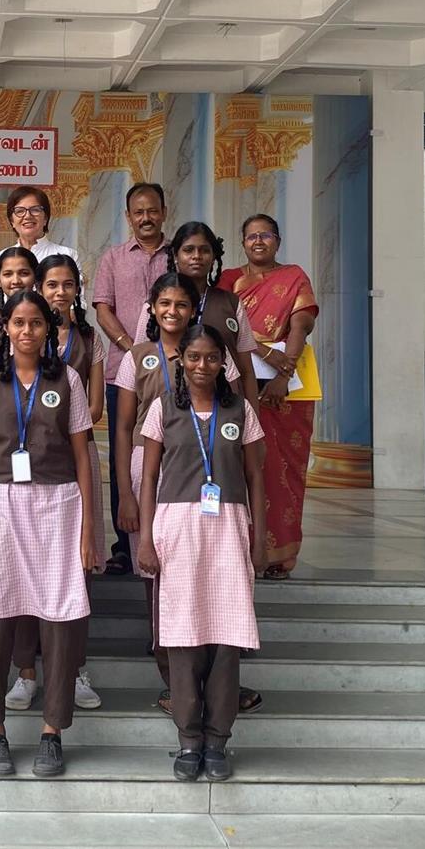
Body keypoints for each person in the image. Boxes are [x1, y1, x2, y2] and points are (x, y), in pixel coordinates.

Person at [0, 290, 96, 779]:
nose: (27, 331)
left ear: (48, 329)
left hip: (58, 505)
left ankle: (52, 732)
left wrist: (88, 530)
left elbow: (83, 455)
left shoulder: (68, 379)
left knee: (58, 616)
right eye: (18, 322)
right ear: (5, 328)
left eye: (36, 323)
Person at [136, 324, 267, 782]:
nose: (202, 365)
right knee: (184, 638)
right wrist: (146, 538)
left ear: (223, 362)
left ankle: (218, 740)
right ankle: (189, 740)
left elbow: (255, 477)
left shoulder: (241, 410)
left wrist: (260, 536)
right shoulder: (163, 409)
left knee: (227, 639)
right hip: (177, 530)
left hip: (229, 530)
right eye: (194, 357)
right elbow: (148, 477)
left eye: (212, 357)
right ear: (181, 361)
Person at [4, 255, 105, 714]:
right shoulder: (22, 335)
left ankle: (75, 667)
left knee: (73, 574)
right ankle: (26, 671)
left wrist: (66, 405)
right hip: (27, 469)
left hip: (73, 461)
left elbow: (96, 409)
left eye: (68, 284)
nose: (59, 292)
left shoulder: (88, 339)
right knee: (25, 573)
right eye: (51, 284)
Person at [217, 214, 318, 580]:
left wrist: (283, 371)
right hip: (241, 381)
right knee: (242, 466)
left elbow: (301, 323)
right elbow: (226, 328)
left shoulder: (294, 276)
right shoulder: (229, 280)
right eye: (251, 236)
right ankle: (242, 547)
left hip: (286, 391)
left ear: (278, 240)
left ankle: (282, 555)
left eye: (266, 235)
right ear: (242, 242)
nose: (258, 241)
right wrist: (263, 353)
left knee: (284, 469)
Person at [91, 182, 171, 575]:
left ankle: (168, 533)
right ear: (127, 217)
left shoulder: (177, 257)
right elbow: (102, 307)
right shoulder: (113, 258)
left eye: (152, 210)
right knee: (124, 449)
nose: (145, 218)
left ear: (163, 212)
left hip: (173, 370)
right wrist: (129, 345)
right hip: (123, 369)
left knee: (169, 453)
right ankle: (124, 544)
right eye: (138, 212)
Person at [139, 222, 259, 406]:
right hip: (166, 410)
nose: (196, 256)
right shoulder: (156, 305)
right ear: (176, 256)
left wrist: (253, 420)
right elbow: (139, 362)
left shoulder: (231, 304)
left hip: (223, 411)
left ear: (213, 257)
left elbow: (247, 370)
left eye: (204, 250)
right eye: (188, 250)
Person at [0, 186, 78, 313]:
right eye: (20, 211)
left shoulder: (67, 255)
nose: (28, 216)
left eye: (35, 210)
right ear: (12, 221)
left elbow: (77, 305)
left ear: (45, 218)